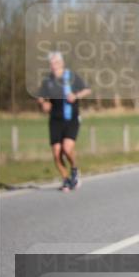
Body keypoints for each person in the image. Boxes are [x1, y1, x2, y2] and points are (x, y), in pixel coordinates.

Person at [37, 52, 91, 192]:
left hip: (71, 118)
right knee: (56, 153)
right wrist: (43, 103)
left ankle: (74, 169)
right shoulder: (47, 81)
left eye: (56, 63)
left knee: (67, 149)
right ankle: (66, 180)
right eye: (51, 63)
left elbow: (87, 90)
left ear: (62, 63)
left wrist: (76, 95)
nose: (53, 66)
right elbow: (40, 97)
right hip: (55, 119)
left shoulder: (71, 77)